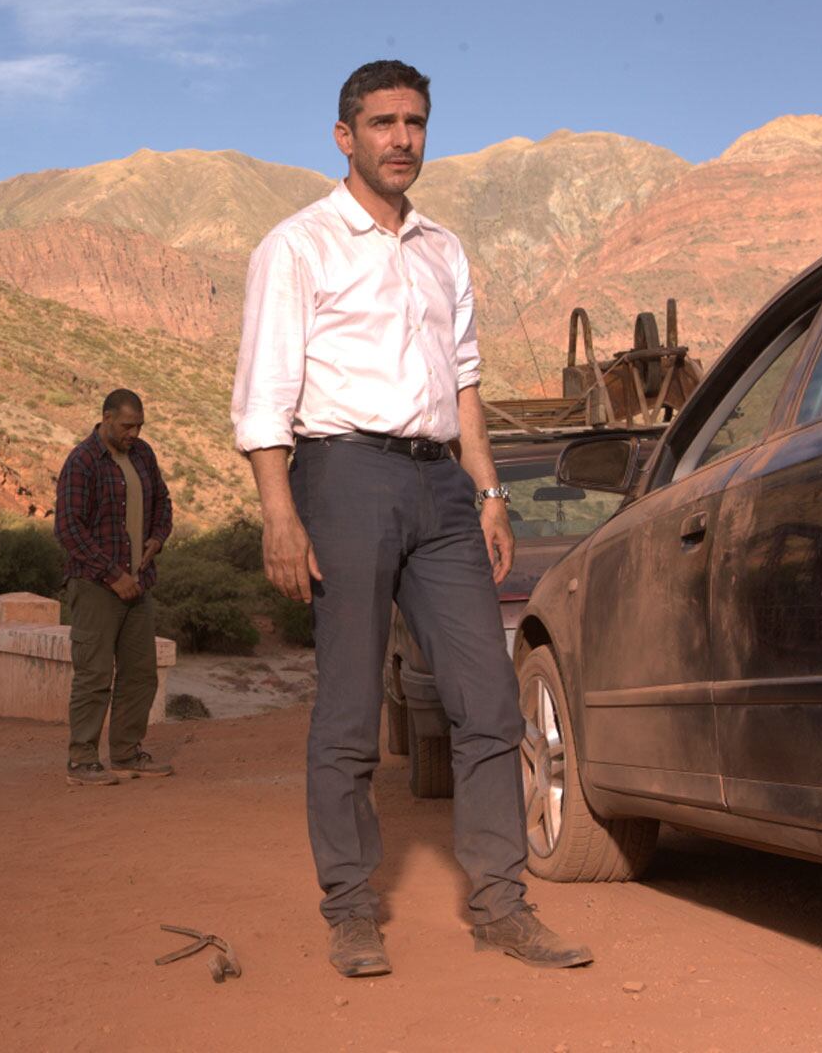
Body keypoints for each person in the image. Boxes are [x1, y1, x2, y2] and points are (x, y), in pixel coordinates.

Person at [230, 60, 593, 976]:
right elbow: (265, 394)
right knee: (350, 707)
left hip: (441, 490)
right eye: (384, 122)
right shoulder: (299, 246)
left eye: (416, 122)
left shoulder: (443, 249)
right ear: (345, 136)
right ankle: (351, 908)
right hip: (343, 477)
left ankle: (501, 904)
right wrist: (280, 513)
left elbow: (464, 383)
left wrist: (490, 491)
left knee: (488, 700)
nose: (403, 138)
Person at [53, 388, 174, 786]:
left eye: (139, 426)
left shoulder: (143, 455)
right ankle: (82, 760)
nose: (133, 433)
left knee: (141, 674)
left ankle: (126, 753)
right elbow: (69, 530)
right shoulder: (83, 461)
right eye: (126, 426)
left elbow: (163, 503)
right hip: (95, 586)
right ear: (105, 418)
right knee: (94, 674)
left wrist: (156, 538)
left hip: (138, 584)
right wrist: (113, 575)